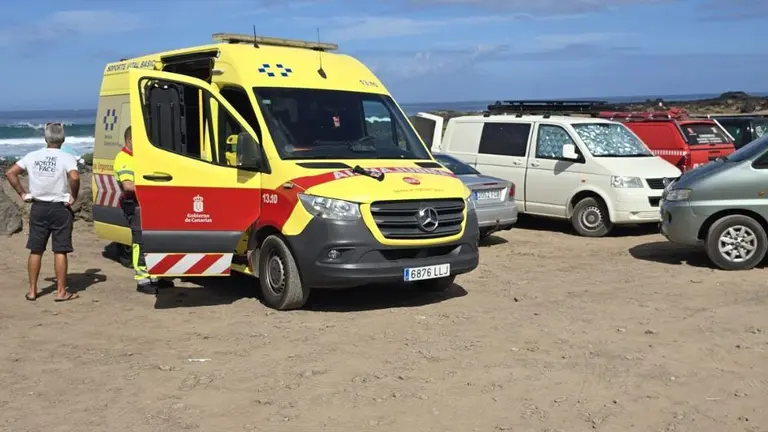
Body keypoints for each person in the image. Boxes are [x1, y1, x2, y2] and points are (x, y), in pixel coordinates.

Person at [5, 122, 80, 302]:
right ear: (62, 139)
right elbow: (75, 176)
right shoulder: (66, 157)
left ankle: (32, 290)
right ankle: (61, 291)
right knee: (60, 250)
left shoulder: (33, 156)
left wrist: (23, 193)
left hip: (38, 206)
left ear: (46, 138)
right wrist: (73, 195)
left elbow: (10, 173)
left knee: (36, 249)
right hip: (59, 207)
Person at [114, 126, 173, 294]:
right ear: (131, 140)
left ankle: (155, 276)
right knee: (140, 242)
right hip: (136, 205)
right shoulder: (124, 158)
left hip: (148, 205)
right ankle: (143, 280)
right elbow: (128, 186)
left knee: (153, 240)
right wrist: (153, 189)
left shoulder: (138, 157)